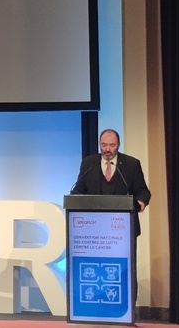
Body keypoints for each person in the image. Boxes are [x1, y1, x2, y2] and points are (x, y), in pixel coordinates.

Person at [70, 129, 151, 304]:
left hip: (123, 230)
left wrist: (140, 203)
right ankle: (94, 306)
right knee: (96, 268)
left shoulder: (131, 164)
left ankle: (127, 309)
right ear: (100, 144)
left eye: (112, 145)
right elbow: (79, 189)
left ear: (118, 145)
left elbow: (143, 191)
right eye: (104, 145)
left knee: (125, 269)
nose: (107, 149)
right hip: (93, 230)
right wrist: (74, 198)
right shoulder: (88, 163)